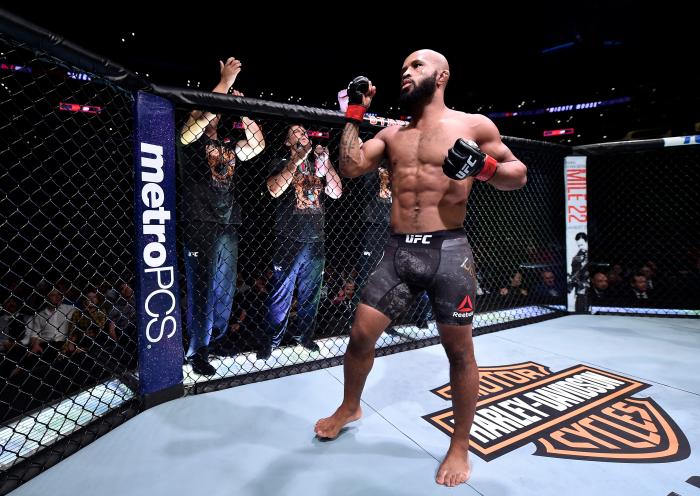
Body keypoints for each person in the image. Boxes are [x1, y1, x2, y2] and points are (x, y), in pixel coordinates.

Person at [314, 49, 527, 487]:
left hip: (449, 251)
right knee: (359, 337)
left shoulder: (472, 125)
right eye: (403, 69)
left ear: (442, 75)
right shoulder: (393, 134)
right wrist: (354, 113)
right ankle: (350, 406)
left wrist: (484, 167)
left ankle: (459, 445)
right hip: (397, 253)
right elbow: (350, 166)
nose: (407, 73)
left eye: (417, 66)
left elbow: (517, 174)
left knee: (460, 353)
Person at [178, 57, 265, 375]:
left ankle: (214, 341)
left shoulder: (228, 145)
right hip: (200, 220)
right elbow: (196, 124)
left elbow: (257, 145)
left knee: (224, 289)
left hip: (228, 221)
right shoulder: (189, 140)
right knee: (201, 287)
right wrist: (224, 84)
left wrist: (242, 109)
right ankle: (196, 351)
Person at [256, 124, 342, 359]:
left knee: (311, 294)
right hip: (288, 238)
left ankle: (304, 336)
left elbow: (336, 192)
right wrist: (295, 161)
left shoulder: (318, 164)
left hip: (316, 239)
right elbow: (274, 190)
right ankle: (271, 340)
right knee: (280, 295)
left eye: (305, 131)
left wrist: (327, 161)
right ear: (287, 141)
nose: (303, 133)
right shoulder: (281, 159)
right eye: (296, 131)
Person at [567, 232, 589, 312]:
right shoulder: (576, 258)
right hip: (581, 289)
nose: (580, 247)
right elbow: (574, 274)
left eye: (582, 244)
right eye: (578, 245)